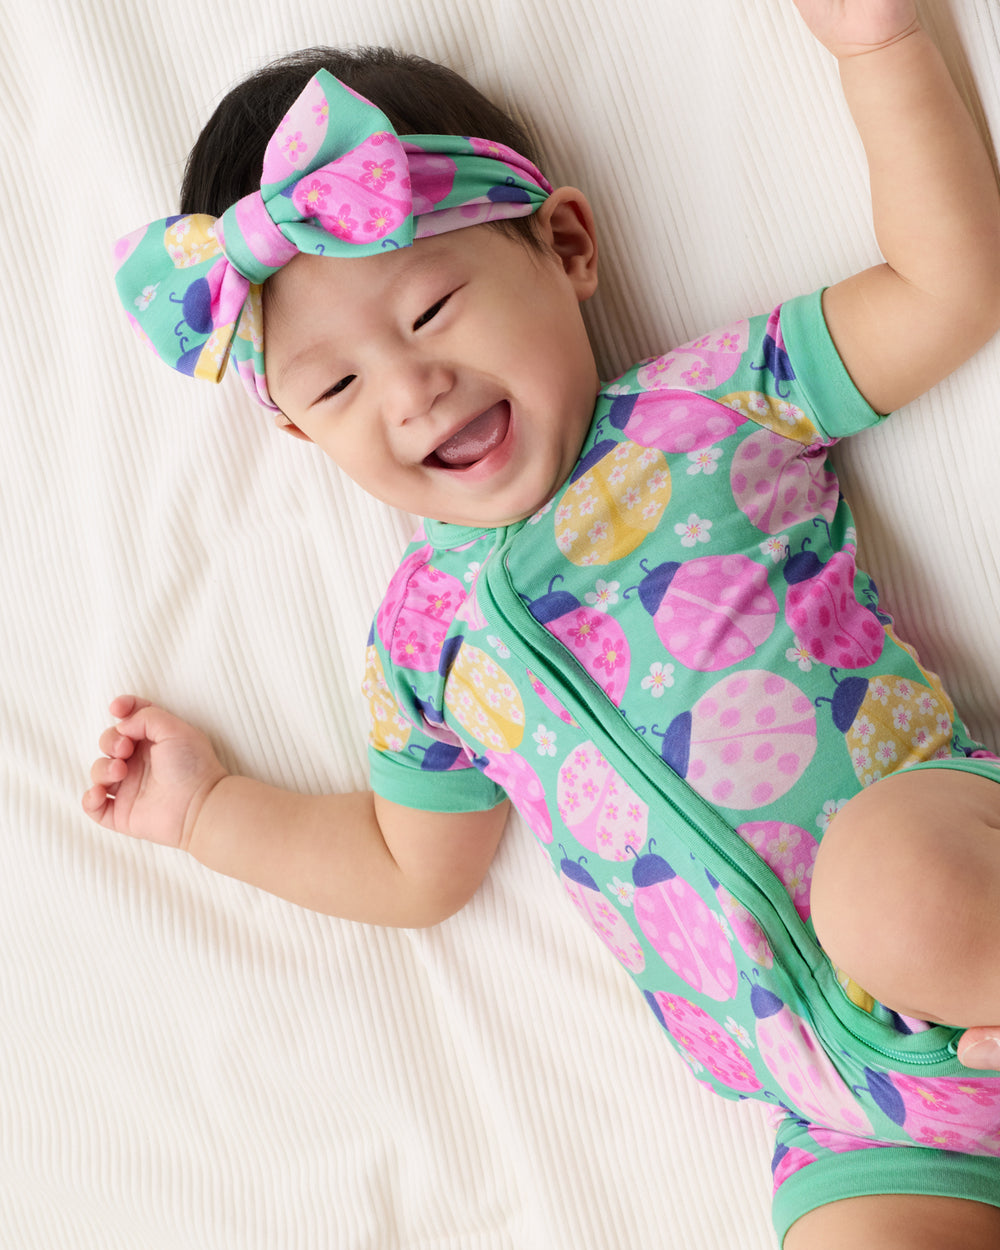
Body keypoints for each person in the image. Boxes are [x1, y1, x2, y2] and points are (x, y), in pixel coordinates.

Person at [86, 2, 1000, 1244]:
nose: (412, 391)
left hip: (949, 881)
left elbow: (945, 289)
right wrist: (204, 812)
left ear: (566, 244)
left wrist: (879, 50)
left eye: (429, 311)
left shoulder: (713, 411)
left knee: (894, 890)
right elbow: (407, 866)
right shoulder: (419, 643)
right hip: (856, 1115)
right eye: (338, 383)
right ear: (299, 431)